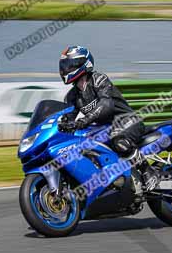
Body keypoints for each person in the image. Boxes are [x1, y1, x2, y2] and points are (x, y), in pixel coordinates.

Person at [57, 45, 159, 192]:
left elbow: (106, 105)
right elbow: (67, 116)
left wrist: (83, 121)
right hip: (105, 128)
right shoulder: (72, 96)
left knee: (117, 139)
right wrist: (62, 124)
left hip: (127, 120)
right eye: (64, 66)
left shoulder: (99, 80)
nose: (65, 70)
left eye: (69, 65)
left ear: (82, 64)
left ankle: (147, 171)